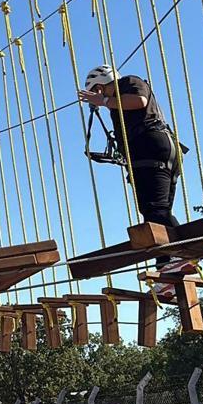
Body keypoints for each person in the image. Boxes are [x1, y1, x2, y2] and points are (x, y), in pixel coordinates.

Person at [78, 65, 193, 298]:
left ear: (102, 84)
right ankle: (168, 269)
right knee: (156, 213)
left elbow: (139, 101)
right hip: (157, 149)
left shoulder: (129, 82)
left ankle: (181, 255)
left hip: (150, 146)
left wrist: (104, 101)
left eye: (99, 89)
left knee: (153, 209)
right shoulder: (117, 98)